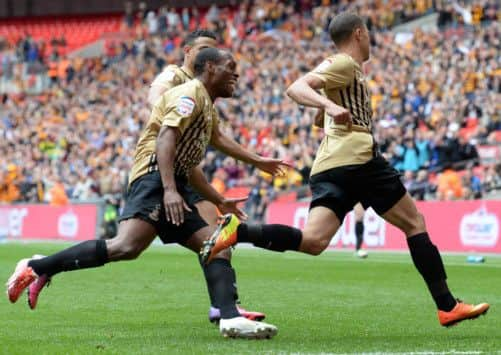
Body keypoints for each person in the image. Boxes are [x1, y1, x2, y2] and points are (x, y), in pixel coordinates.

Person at [201, 13, 489, 328]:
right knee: (414, 222)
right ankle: (447, 306)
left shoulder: (348, 76)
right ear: (359, 34)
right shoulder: (344, 64)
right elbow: (297, 87)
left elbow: (320, 105)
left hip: (329, 166)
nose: (371, 39)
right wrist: (328, 107)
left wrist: (326, 111)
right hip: (358, 159)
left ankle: (237, 232)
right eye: (368, 33)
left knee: (313, 242)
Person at [7, 48, 288, 339]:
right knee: (126, 246)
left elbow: (205, 150)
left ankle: (229, 317)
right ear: (209, 68)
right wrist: (168, 190)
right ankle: (36, 266)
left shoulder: (206, 106)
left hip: (173, 180)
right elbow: (165, 138)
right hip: (156, 176)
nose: (236, 74)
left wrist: (228, 188)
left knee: (215, 244)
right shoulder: (189, 94)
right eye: (230, 67)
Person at [147, 29, 268, 323]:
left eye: (211, 51)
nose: (206, 56)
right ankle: (43, 266)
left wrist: (257, 160)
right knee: (126, 246)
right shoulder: (175, 79)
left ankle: (224, 305)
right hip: (163, 167)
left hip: (186, 168)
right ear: (188, 52)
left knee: (217, 237)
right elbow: (158, 102)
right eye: (201, 49)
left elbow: (218, 137)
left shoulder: (204, 89)